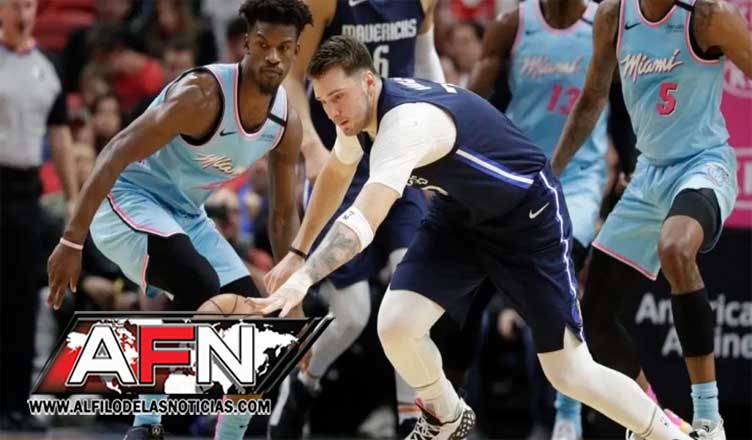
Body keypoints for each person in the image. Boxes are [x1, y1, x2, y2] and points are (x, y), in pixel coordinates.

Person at [249, 35, 695, 440]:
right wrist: (298, 252)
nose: (332, 112)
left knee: (569, 371)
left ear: (368, 81)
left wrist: (305, 278)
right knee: (397, 324)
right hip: (460, 216)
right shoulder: (359, 114)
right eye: (323, 102)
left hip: (526, 218)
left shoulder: (405, 124)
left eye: (337, 98)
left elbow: (364, 218)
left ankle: (669, 434)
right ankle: (444, 415)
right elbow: (337, 171)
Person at [45, 1, 313, 439]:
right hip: (126, 200)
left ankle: (231, 434)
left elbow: (284, 215)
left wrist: (293, 295)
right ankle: (146, 424)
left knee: (260, 323)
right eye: (263, 44)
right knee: (198, 283)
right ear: (246, 43)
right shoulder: (202, 95)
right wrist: (72, 240)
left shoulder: (285, 123)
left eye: (284, 48)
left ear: (296, 52)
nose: (273, 57)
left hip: (187, 215)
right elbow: (114, 150)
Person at [466, 0, 688, 438]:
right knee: (475, 292)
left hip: (580, 178)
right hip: (517, 177)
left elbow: (621, 104)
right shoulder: (513, 25)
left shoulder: (603, 23)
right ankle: (455, 408)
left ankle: (566, 414)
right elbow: (476, 106)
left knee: (562, 276)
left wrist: (631, 163)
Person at [549, 0, 751, 438]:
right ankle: (654, 420)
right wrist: (551, 174)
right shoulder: (613, 16)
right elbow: (591, 100)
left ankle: (709, 419)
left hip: (702, 165)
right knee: (593, 320)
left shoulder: (708, 15)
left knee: (676, 248)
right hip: (648, 175)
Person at [266, 0, 446, 436]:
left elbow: (425, 60)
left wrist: (441, 130)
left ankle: (411, 421)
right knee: (352, 314)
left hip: (400, 154)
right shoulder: (326, 3)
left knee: (412, 295)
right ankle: (302, 383)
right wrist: (312, 146)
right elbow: (292, 78)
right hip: (342, 160)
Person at [0, 0, 79, 431]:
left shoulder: (48, 67)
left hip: (26, 191)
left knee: (21, 301)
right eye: (15, 4)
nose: (23, 12)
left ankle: (15, 402)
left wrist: (72, 198)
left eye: (28, 4)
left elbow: (61, 136)